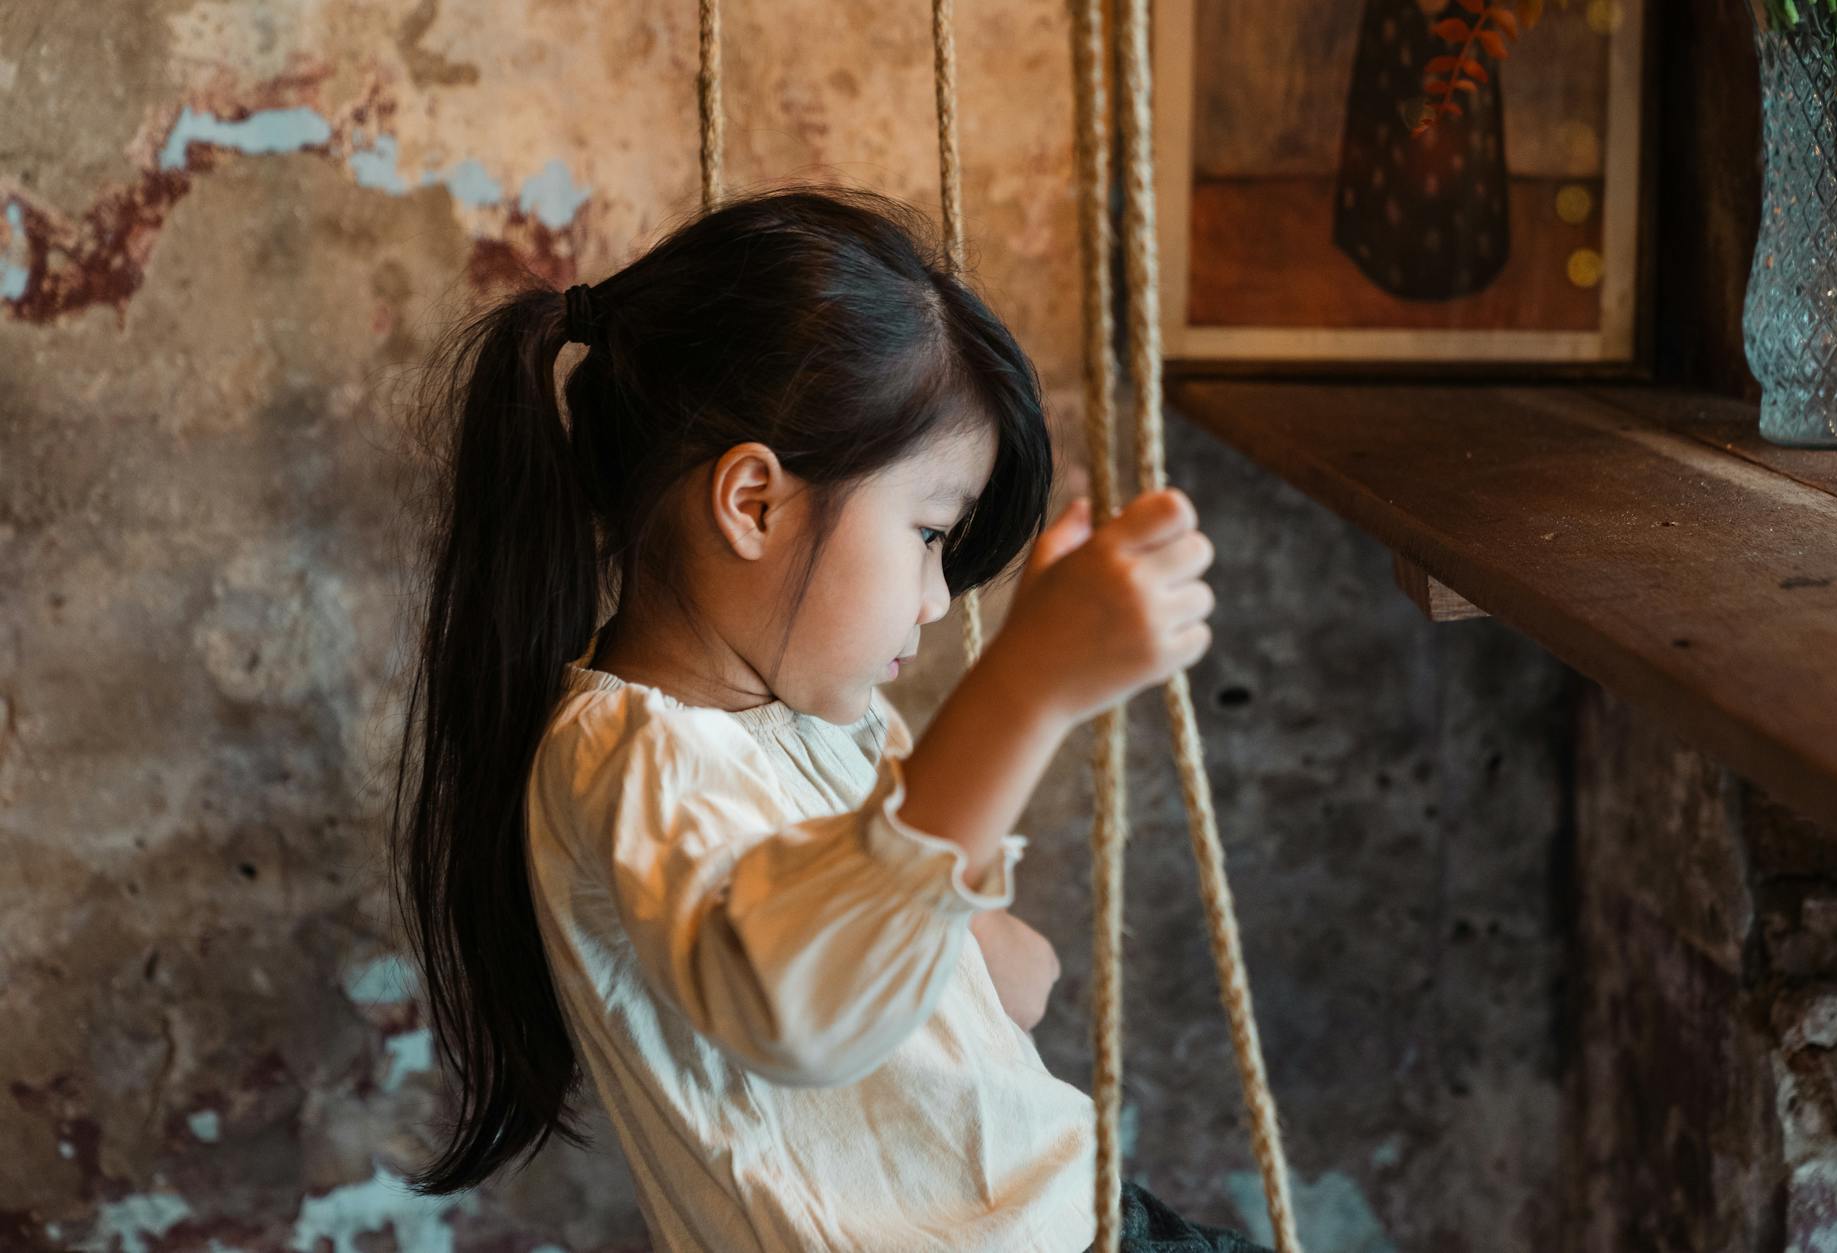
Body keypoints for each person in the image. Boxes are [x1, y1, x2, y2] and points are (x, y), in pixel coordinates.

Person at [390, 183, 1272, 1252]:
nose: (937, 597)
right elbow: (797, 1008)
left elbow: (1020, 983)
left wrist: (950, 852)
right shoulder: (630, 765)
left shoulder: (830, 729)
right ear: (753, 502)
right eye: (929, 530)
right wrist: (1026, 686)